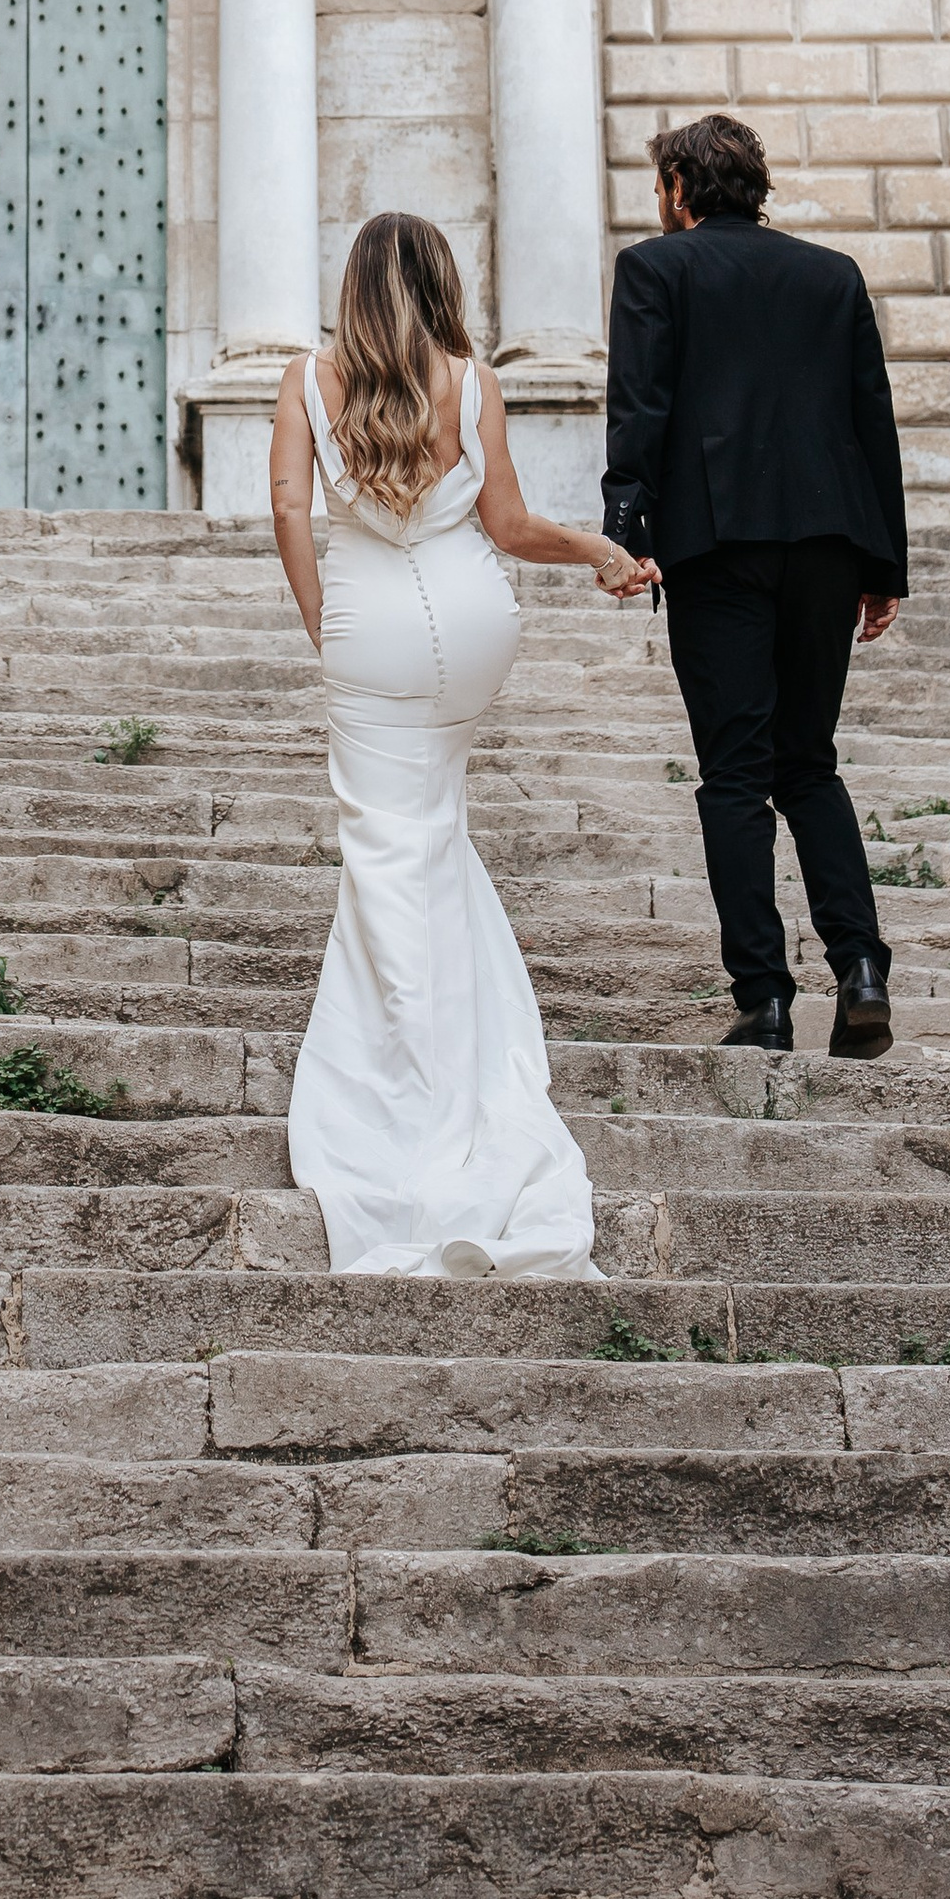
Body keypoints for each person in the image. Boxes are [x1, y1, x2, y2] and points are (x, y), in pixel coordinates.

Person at [268, 208, 649, 1279]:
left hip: (372, 627)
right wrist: (597, 551)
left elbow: (290, 508)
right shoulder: (470, 377)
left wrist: (320, 617)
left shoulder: (308, 378)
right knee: (428, 830)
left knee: (388, 846)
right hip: (473, 627)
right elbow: (513, 526)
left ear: (352, 285)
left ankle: (412, 1083)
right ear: (439, 280)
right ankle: (461, 1044)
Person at [602, 111, 907, 1059]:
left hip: (715, 546)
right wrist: (884, 564)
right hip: (826, 544)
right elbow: (872, 421)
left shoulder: (655, 271)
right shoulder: (832, 275)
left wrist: (624, 528)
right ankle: (860, 970)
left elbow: (640, 407)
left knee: (735, 775)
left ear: (681, 189)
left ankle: (764, 1000)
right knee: (807, 762)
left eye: (661, 188)